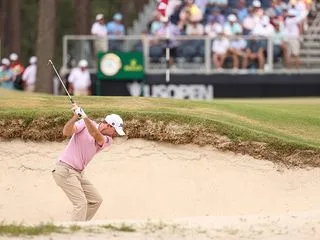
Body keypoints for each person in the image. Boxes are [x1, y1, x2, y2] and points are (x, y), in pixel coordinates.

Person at [52, 103, 126, 221]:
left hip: (78, 173)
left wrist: (84, 117)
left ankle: (79, 225)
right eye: (115, 131)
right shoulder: (83, 124)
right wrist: (76, 117)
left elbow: (95, 134)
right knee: (81, 203)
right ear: (108, 125)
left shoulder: (108, 140)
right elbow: (66, 132)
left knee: (96, 200)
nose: (116, 134)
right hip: (64, 170)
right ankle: (75, 232)